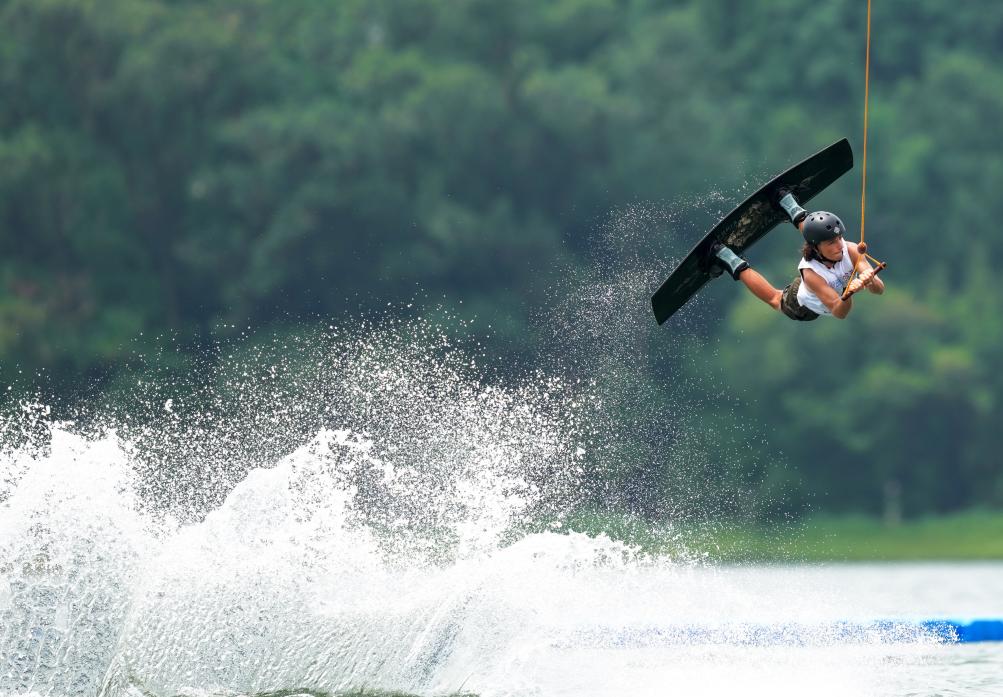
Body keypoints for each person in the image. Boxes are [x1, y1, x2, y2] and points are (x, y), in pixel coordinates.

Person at [705, 192, 884, 320]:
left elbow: (879, 289)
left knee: (815, 230)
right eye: (831, 243)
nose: (839, 245)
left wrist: (870, 279)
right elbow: (839, 311)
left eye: (839, 238)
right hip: (802, 305)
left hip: (820, 285)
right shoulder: (811, 274)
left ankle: (788, 202)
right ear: (816, 248)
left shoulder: (851, 249)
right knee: (776, 299)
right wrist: (848, 294)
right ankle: (729, 259)